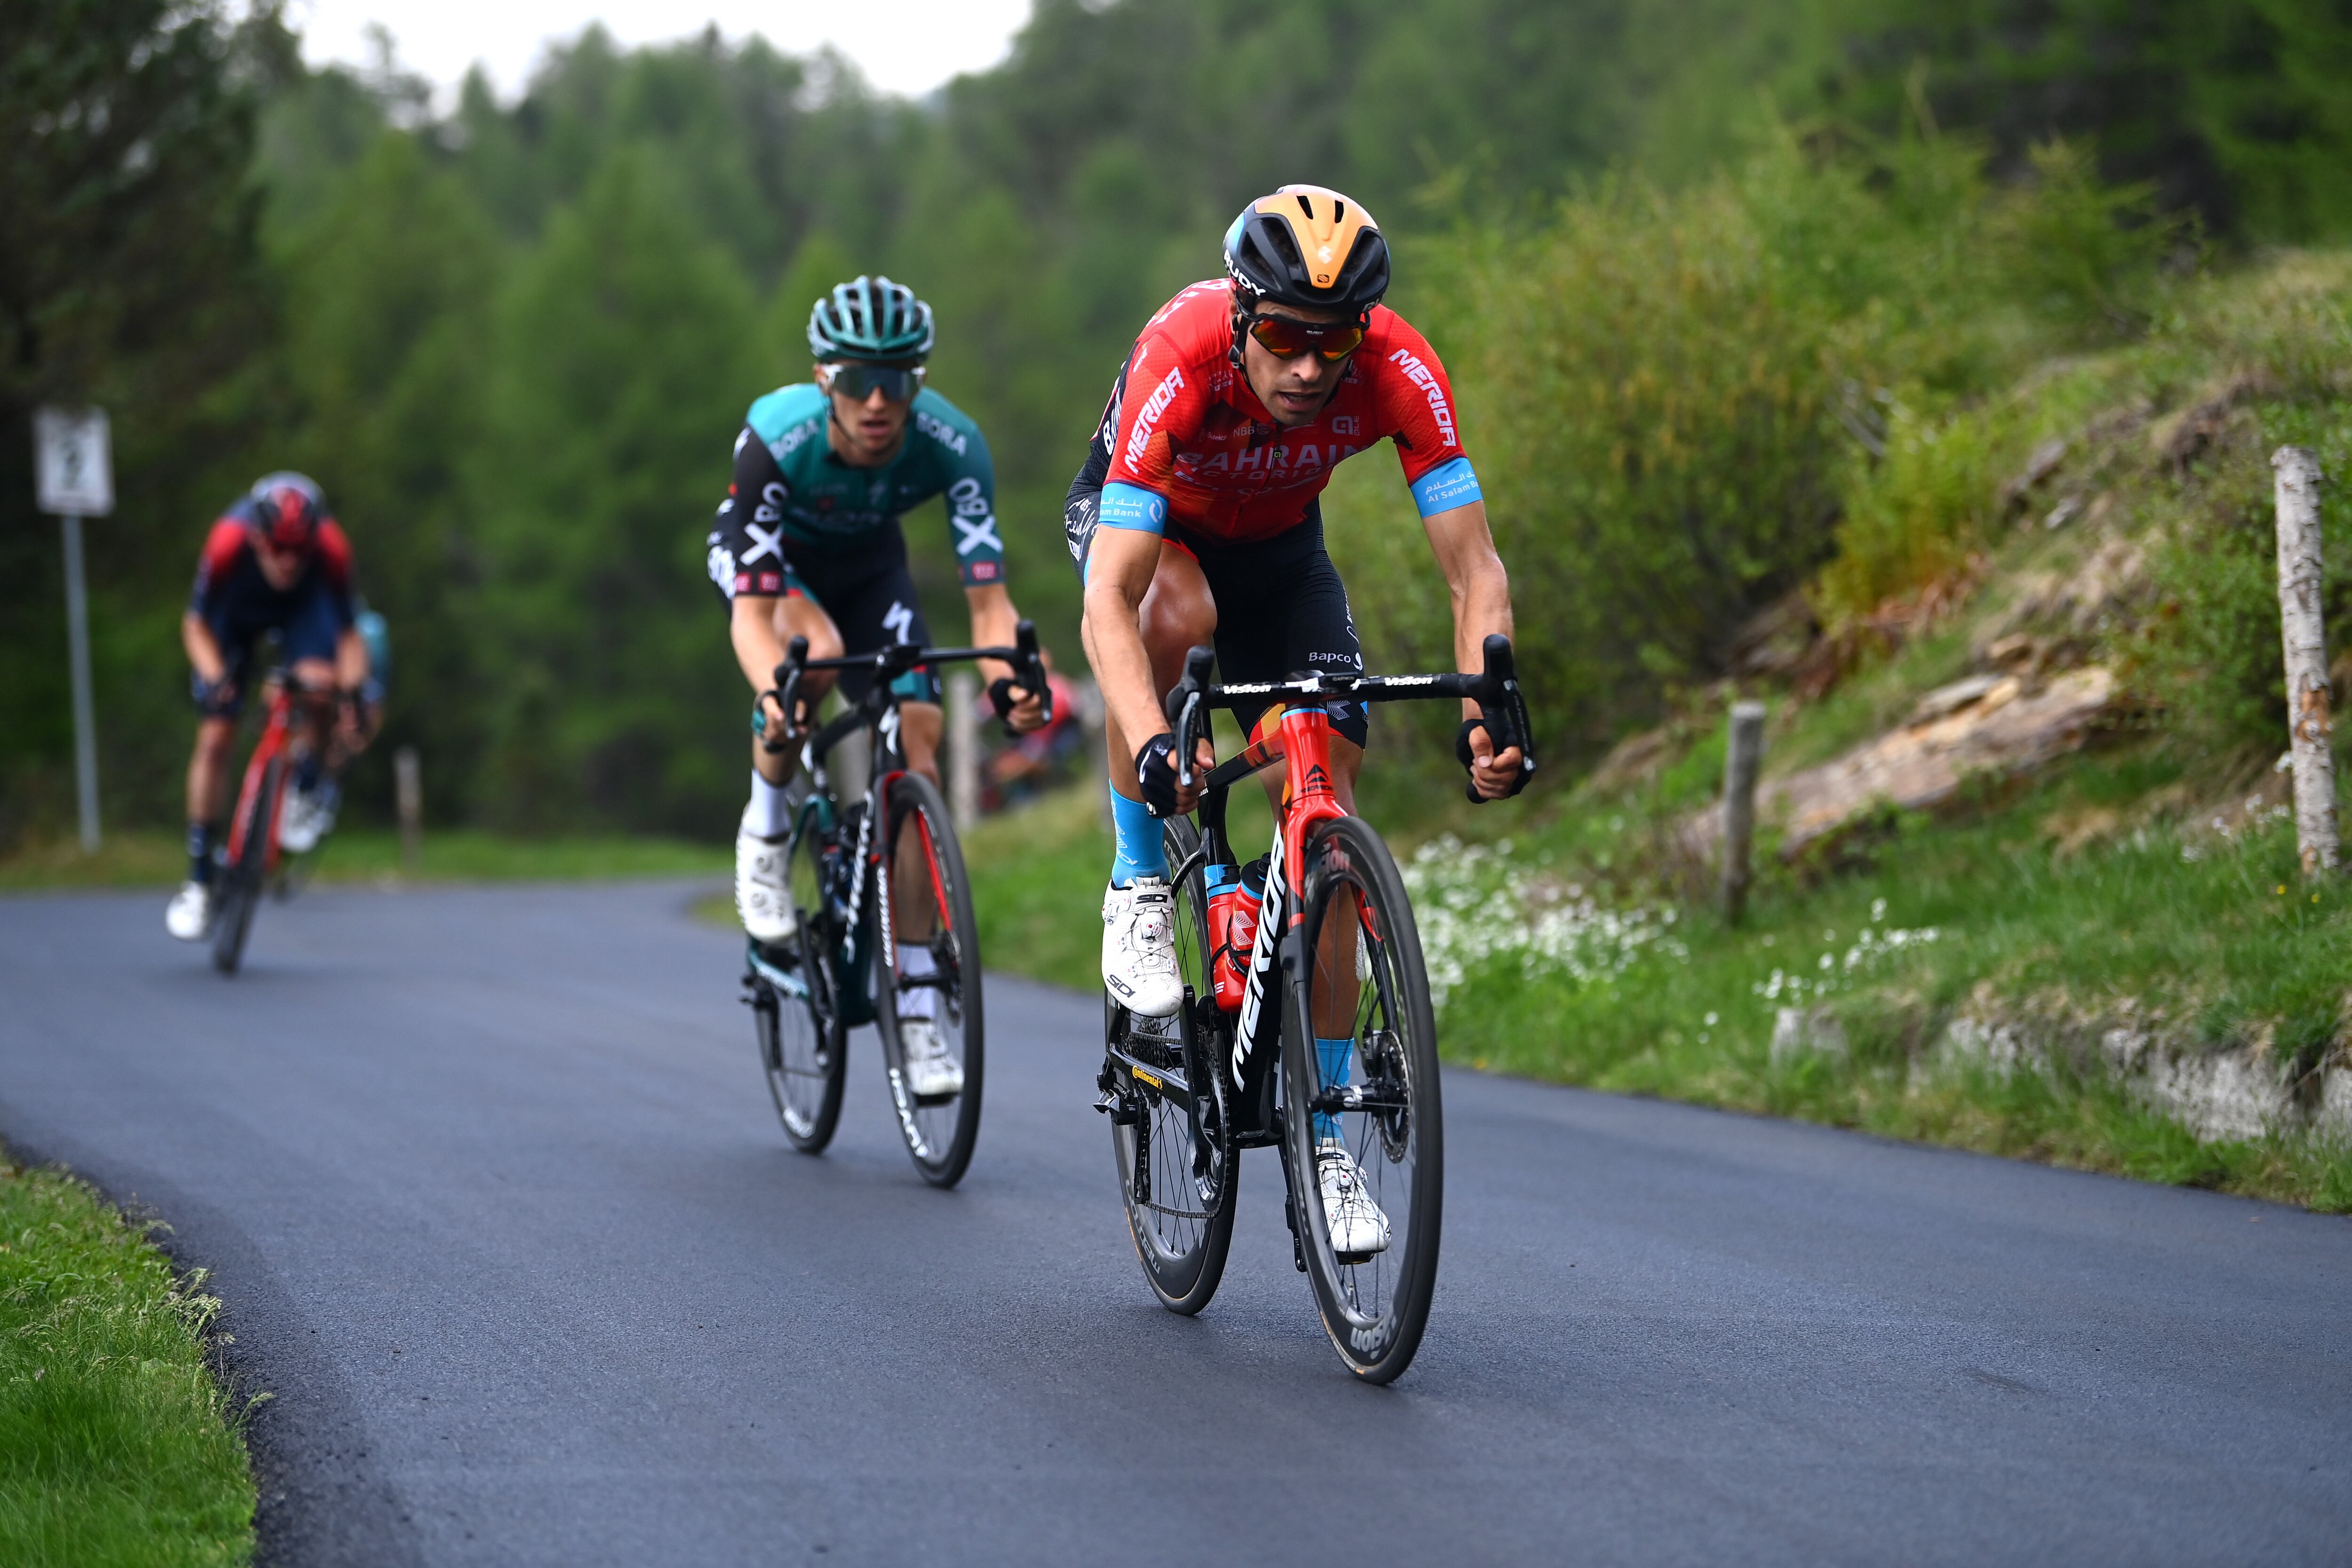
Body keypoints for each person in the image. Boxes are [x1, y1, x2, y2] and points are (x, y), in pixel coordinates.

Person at [1065, 185, 1526, 1255]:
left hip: (1281, 555)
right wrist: (1146, 746)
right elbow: (1105, 604)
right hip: (1152, 532)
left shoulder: (1400, 368)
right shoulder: (1180, 354)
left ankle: (1322, 1130)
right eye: (1283, 336)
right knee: (1176, 615)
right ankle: (1142, 879)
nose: (1311, 367)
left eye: (1334, 342)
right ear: (1240, 317)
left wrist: (1485, 709)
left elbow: (1475, 568)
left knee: (1325, 791)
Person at [707, 275, 1046, 1098]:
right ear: (825, 380)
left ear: (917, 384)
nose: (876, 402)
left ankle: (922, 997)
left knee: (919, 738)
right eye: (857, 380)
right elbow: (753, 621)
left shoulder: (953, 444)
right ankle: (764, 832)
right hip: (774, 569)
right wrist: (774, 697)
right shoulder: (777, 438)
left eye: (895, 381)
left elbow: (991, 604)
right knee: (812, 655)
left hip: (870, 570)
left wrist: (1012, 680)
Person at [167, 473, 376, 939]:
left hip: (302, 613)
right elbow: (195, 624)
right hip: (234, 618)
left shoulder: (332, 550)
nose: (286, 561)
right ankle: (199, 878)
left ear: (313, 542)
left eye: (297, 552)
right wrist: (216, 676)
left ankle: (304, 784)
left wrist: (355, 692)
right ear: (256, 536)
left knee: (324, 687)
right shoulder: (227, 542)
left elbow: (348, 635)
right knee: (217, 735)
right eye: (276, 549)